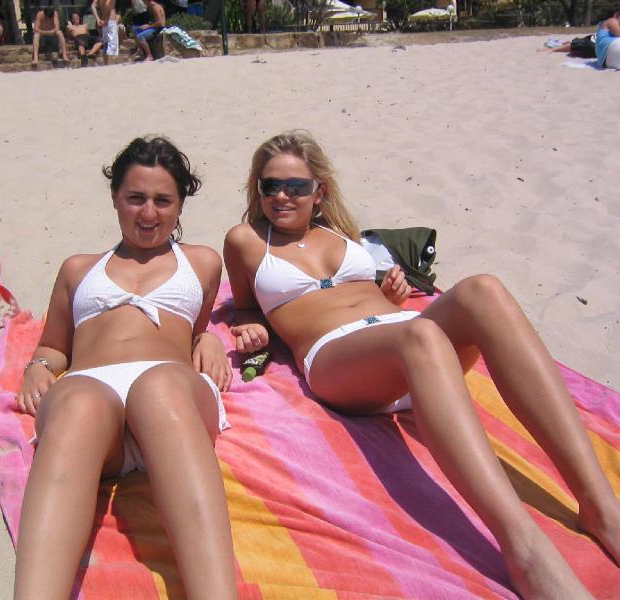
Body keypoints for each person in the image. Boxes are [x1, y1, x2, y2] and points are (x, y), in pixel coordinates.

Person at [223, 130, 620, 599]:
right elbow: (244, 305)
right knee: (421, 334)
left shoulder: (338, 232)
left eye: (296, 186)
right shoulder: (247, 240)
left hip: (406, 341)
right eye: (270, 185)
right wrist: (252, 326)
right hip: (340, 359)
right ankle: (526, 551)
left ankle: (600, 506)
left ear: (320, 192)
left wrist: (389, 295)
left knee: (483, 289)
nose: (282, 196)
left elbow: (367, 294)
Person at [13, 136, 238, 600]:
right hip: (96, 406)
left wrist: (208, 338)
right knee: (77, 401)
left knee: (158, 388)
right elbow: (54, 345)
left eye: (163, 200)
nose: (148, 213)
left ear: (180, 205)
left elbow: (195, 329)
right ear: (115, 198)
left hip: (169, 398)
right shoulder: (78, 269)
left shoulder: (201, 262)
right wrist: (38, 366)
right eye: (136, 198)